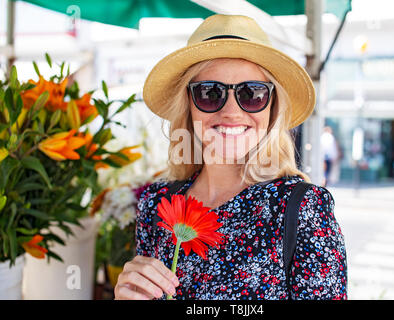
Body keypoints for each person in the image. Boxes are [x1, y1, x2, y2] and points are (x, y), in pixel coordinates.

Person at [114, 14, 347, 300]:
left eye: (252, 93)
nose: (232, 113)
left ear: (271, 107)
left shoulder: (301, 210)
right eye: (210, 93)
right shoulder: (156, 205)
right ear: (188, 105)